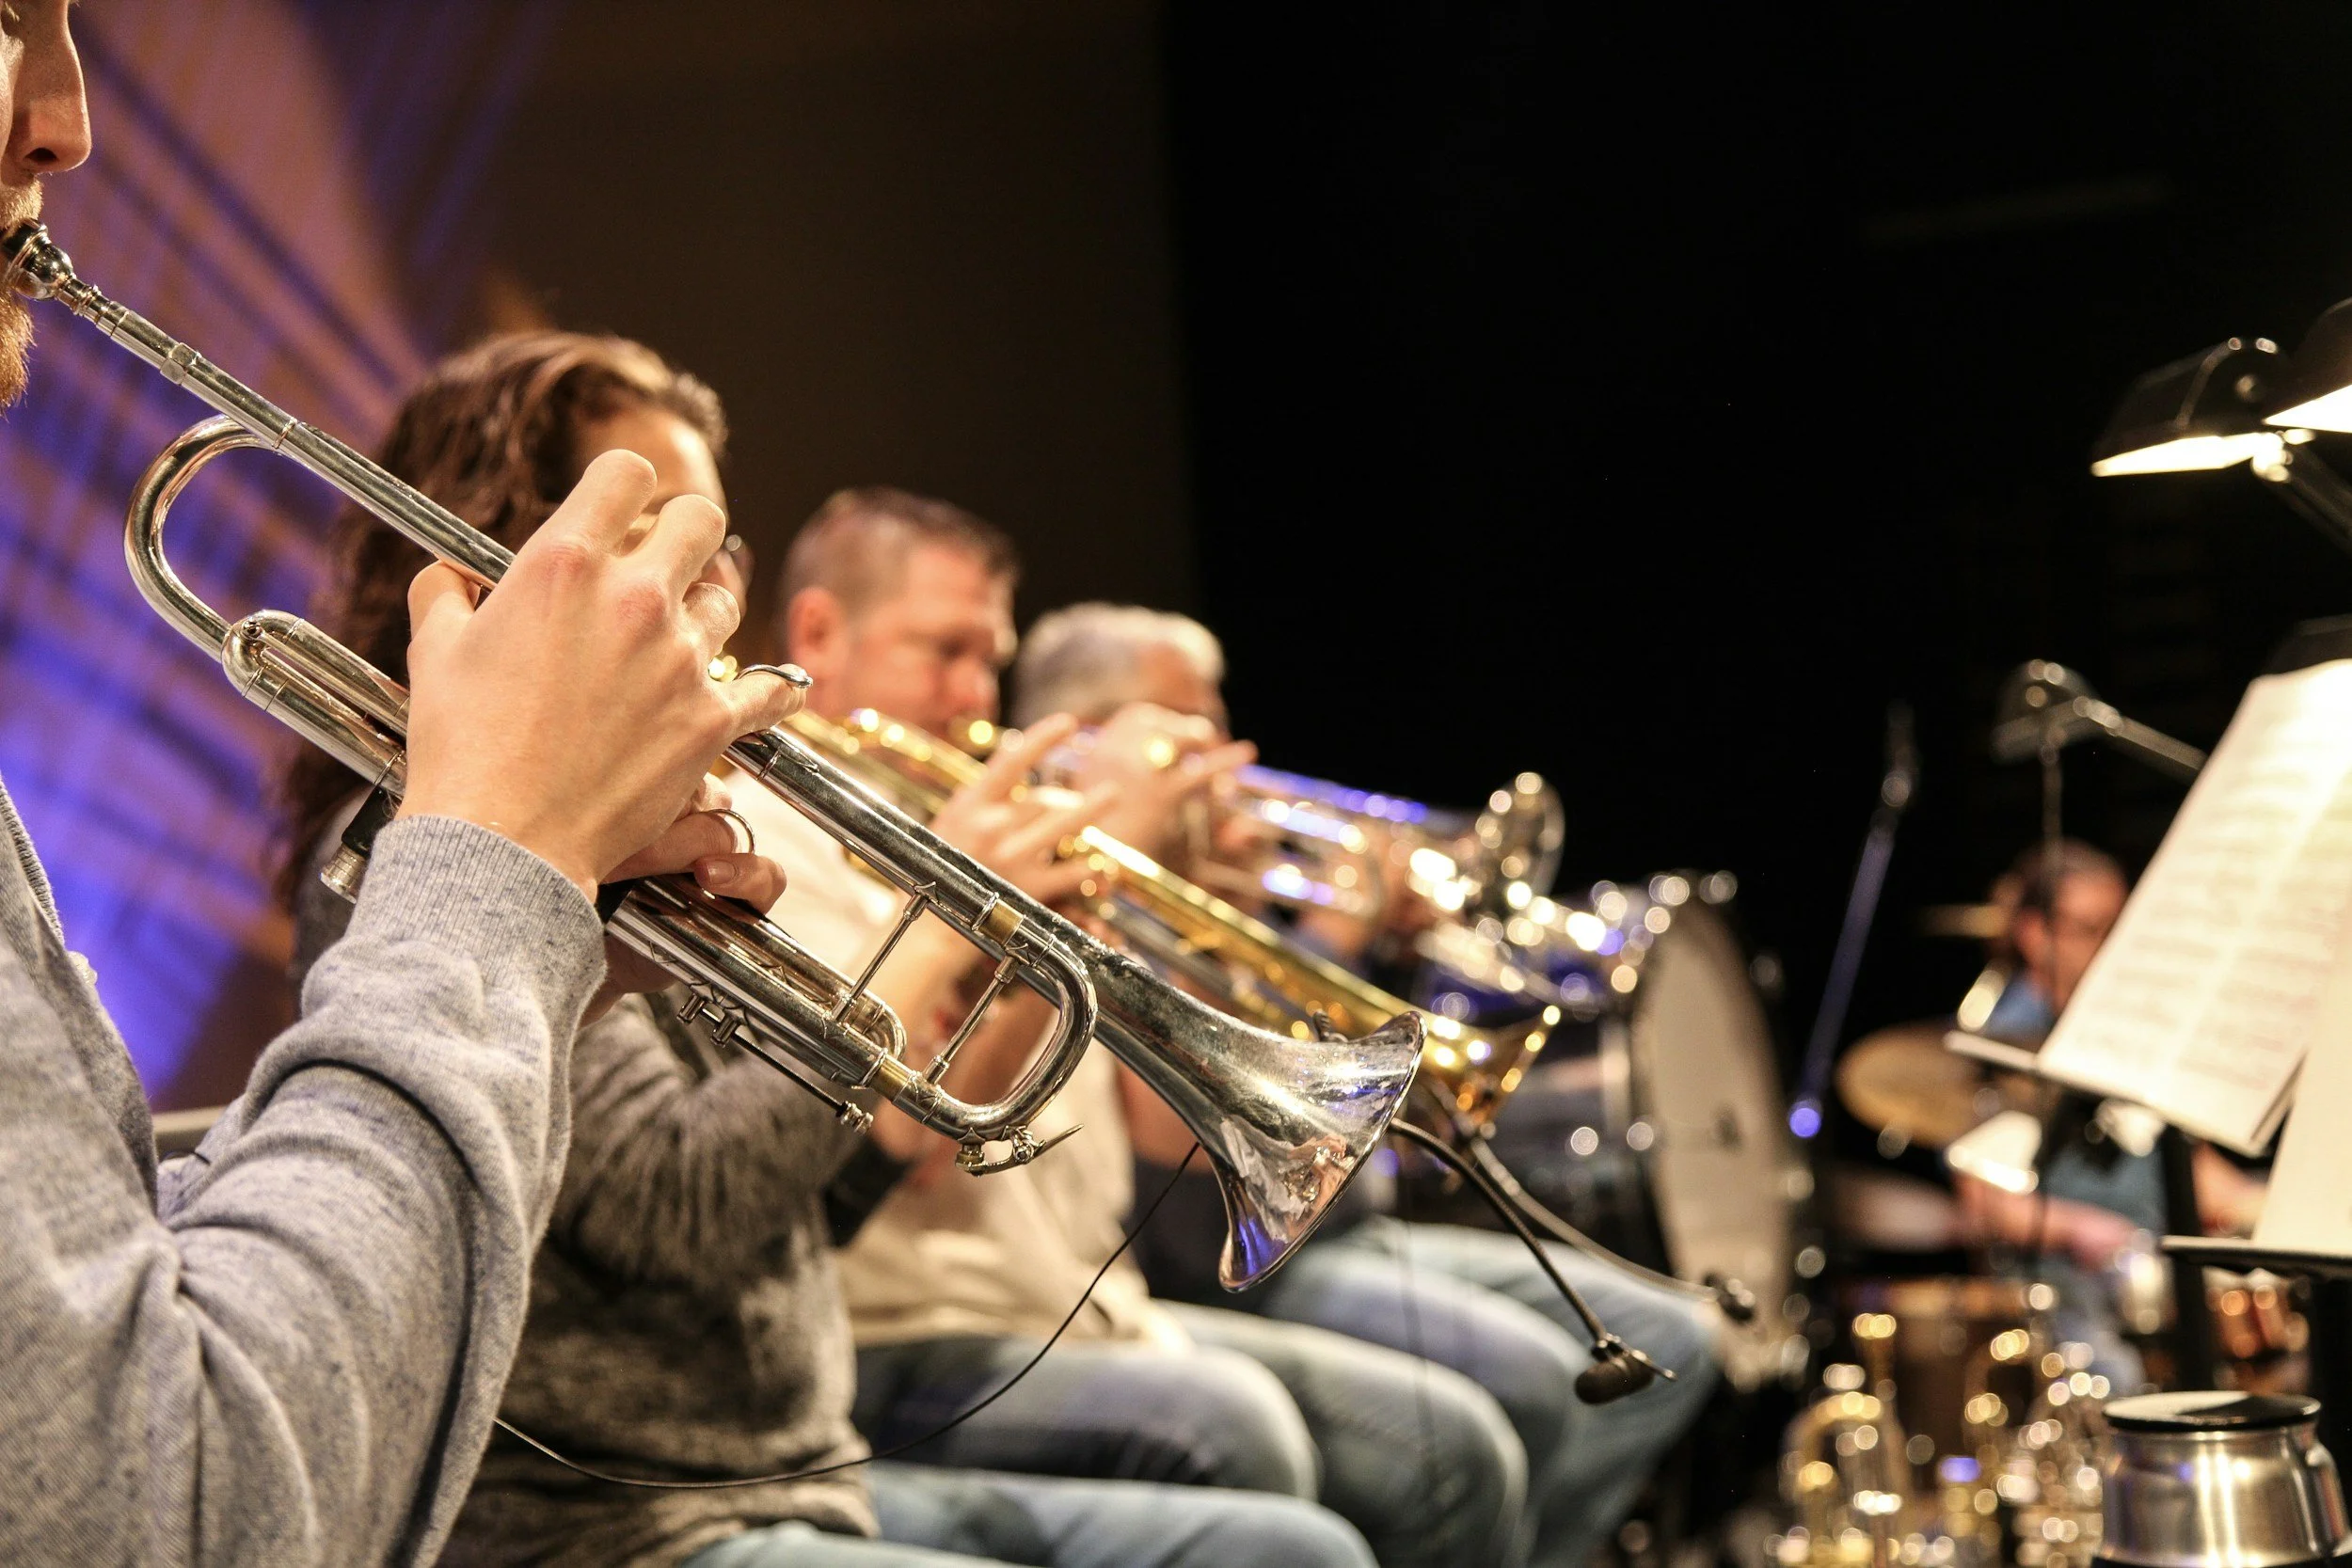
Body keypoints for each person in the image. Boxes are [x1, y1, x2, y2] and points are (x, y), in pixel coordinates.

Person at [282, 339, 1377, 1568]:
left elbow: (836, 1195)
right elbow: (681, 1207)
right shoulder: (435, 848)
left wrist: (1011, 950)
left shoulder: (644, 822)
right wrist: (947, 927)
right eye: (656, 534)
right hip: (617, 1527)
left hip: (791, 1466)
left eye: (713, 545)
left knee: (1288, 1536)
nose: (702, 590)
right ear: (517, 551)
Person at [0, 12, 803, 1563]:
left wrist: (533, 946)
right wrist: (498, 879)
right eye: (9, 17)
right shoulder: (415, 824)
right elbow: (174, 1514)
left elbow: (109, 1290)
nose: (69, 124)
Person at [753, 490, 1532, 1568]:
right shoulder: (776, 850)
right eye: (944, 650)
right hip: (915, 1331)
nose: (976, 694)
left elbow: (1177, 1147)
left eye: (990, 659)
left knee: (1460, 1449)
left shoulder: (993, 834)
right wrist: (1048, 916)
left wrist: (1187, 910)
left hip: (1084, 1303)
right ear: (817, 633)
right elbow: (918, 1147)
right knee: (1248, 1433)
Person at [1008, 601, 1724, 1568]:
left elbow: (1320, 1069)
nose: (1233, 757)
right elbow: (1181, 1154)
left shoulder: (1220, 866)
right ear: (1093, 734)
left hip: (1347, 1217)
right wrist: (1328, 937)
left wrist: (1357, 937)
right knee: (1519, 1388)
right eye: (1192, 728)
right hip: (1221, 1253)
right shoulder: (1077, 873)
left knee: (1670, 1335)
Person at [1951, 840, 2264, 1384]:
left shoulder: (2126, 1033)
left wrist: (2268, 1206)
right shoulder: (2005, 1046)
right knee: (2123, 1378)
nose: (2112, 951)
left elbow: (2193, 1172)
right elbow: (1986, 1204)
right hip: (2064, 1298)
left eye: (2122, 931)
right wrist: (2084, 1229)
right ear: (2034, 934)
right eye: (2091, 930)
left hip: (2152, 1287)